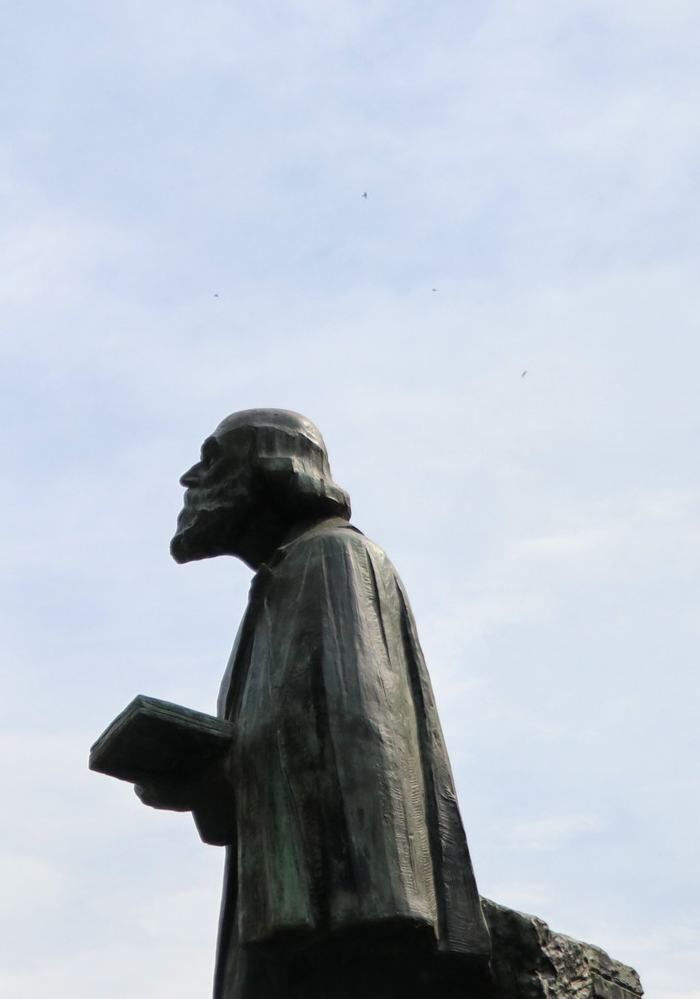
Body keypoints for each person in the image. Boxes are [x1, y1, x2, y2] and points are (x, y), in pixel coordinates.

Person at [150, 409, 492, 999]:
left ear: (273, 470)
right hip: (287, 917)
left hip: (336, 928)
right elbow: (283, 765)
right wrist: (199, 779)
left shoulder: (335, 560)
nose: (190, 479)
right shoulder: (275, 587)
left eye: (212, 460)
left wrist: (379, 916)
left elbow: (369, 743)